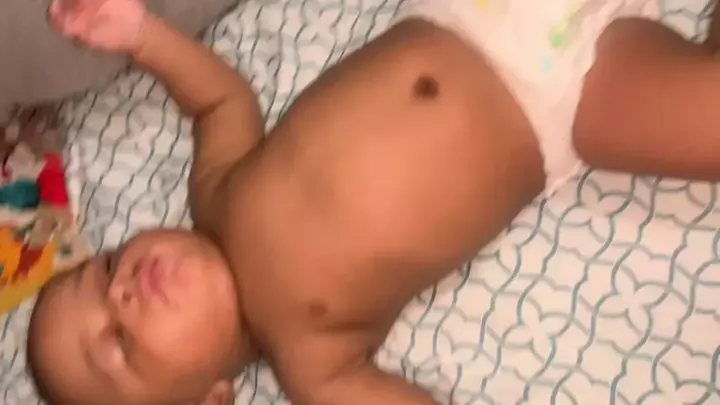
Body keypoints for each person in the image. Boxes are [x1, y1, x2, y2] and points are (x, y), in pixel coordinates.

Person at [26, 0, 720, 404]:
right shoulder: (315, 365)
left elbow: (220, 102)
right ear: (211, 398)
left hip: (469, 16)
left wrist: (142, 36)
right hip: (560, 102)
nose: (122, 293)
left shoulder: (213, 194)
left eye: (104, 269)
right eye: (119, 343)